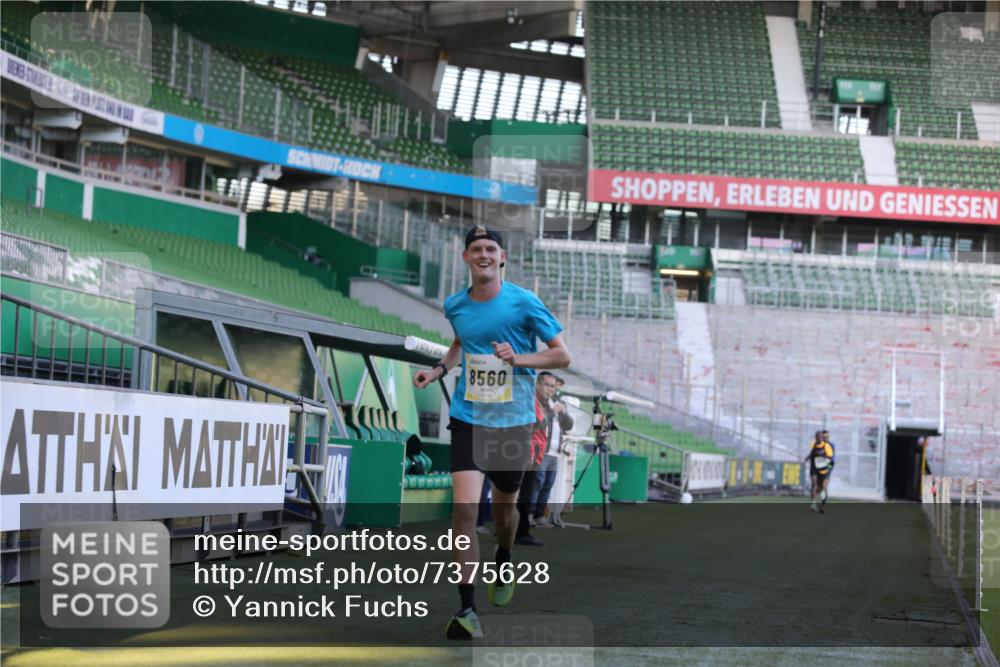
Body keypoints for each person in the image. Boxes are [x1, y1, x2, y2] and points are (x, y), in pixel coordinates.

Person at [412, 223, 571, 640]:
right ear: (466, 257)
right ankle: (467, 610)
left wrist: (518, 359)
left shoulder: (524, 303)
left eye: (491, 249)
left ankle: (504, 555)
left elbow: (561, 355)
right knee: (464, 510)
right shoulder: (455, 304)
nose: (483, 254)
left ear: (502, 258)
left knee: (504, 514)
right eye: (476, 248)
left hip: (513, 423)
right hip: (467, 416)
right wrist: (440, 369)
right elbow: (461, 341)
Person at [529, 374, 573, 528]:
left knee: (548, 484)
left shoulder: (557, 403)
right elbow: (536, 424)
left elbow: (568, 425)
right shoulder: (537, 402)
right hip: (540, 451)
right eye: (548, 385)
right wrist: (553, 411)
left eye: (553, 386)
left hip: (555, 452)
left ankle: (540, 516)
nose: (551, 389)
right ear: (538, 385)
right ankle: (529, 515)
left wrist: (563, 413)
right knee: (537, 482)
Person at [805, 430, 835, 513]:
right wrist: (807, 458)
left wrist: (828, 469)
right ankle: (813, 505)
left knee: (823, 488)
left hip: (824, 469)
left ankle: (823, 506)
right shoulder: (813, 444)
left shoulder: (827, 446)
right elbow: (812, 452)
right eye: (817, 436)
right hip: (814, 468)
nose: (818, 438)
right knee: (814, 485)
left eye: (820, 436)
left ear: (822, 437)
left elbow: (831, 461)